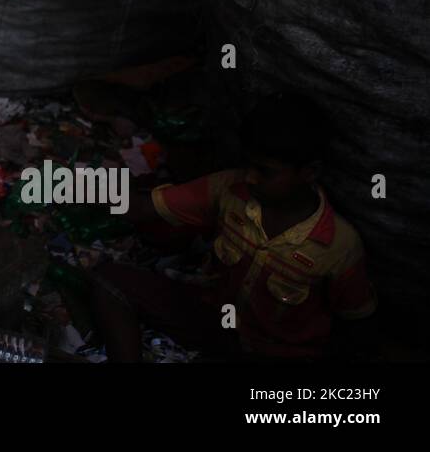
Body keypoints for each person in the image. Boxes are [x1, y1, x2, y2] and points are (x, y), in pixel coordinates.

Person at [88, 92, 378, 361]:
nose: (250, 178)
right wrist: (74, 185)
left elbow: (356, 325)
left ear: (309, 172)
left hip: (277, 353)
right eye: (248, 165)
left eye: (265, 171)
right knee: (109, 282)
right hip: (216, 321)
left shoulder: (338, 245)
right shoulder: (229, 188)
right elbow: (143, 209)